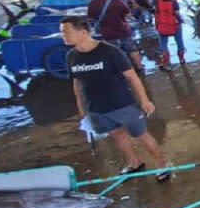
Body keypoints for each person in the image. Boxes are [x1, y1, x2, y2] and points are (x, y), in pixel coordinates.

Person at [61, 16, 172, 182]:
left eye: (66, 32)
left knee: (141, 135)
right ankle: (135, 162)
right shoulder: (71, 56)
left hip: (123, 105)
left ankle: (162, 164)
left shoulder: (110, 51)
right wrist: (81, 107)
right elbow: (77, 83)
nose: (63, 35)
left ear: (83, 32)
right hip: (96, 108)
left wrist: (144, 100)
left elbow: (132, 77)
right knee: (117, 134)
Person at [88, 0, 143, 73]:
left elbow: (91, 19)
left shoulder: (93, 4)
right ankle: (139, 67)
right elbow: (128, 15)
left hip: (107, 32)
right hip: (123, 29)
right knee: (132, 49)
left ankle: (120, 70)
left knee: (114, 51)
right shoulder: (118, 2)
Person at [154, 0, 185, 67]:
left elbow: (155, 12)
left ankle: (166, 60)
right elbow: (177, 14)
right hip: (175, 25)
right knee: (179, 41)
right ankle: (181, 59)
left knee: (163, 44)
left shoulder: (157, 1)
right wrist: (181, 20)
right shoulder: (174, 2)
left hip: (162, 25)